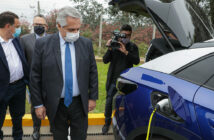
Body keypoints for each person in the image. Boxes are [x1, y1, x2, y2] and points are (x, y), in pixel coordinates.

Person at [30, 6, 98, 140]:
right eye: (71, 29)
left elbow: (92, 71)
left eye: (78, 29)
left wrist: (92, 97)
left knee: (80, 136)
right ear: (59, 26)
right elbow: (35, 76)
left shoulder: (86, 44)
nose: (76, 32)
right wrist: (38, 104)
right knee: (59, 136)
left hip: (79, 103)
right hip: (55, 104)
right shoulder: (43, 45)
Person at [102, 24, 140, 134]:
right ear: (120, 34)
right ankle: (106, 123)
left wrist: (126, 52)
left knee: (125, 104)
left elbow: (136, 61)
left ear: (131, 35)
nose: (125, 38)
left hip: (126, 81)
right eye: (124, 35)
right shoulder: (114, 45)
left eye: (128, 35)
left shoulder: (133, 47)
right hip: (114, 80)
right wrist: (109, 48)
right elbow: (105, 60)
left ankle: (124, 124)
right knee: (109, 102)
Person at [0, 11, 29, 140]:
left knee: (18, 118)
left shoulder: (17, 40)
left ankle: (18, 137)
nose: (18, 29)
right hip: (2, 89)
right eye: (16, 26)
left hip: (18, 87)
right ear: (8, 26)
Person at [20, 14, 48, 140]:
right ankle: (36, 129)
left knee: (54, 103)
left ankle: (54, 125)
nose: (38, 27)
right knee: (35, 105)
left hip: (51, 79)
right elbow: (22, 60)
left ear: (46, 26)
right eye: (36, 24)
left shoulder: (53, 39)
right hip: (33, 80)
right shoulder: (24, 39)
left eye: (41, 25)